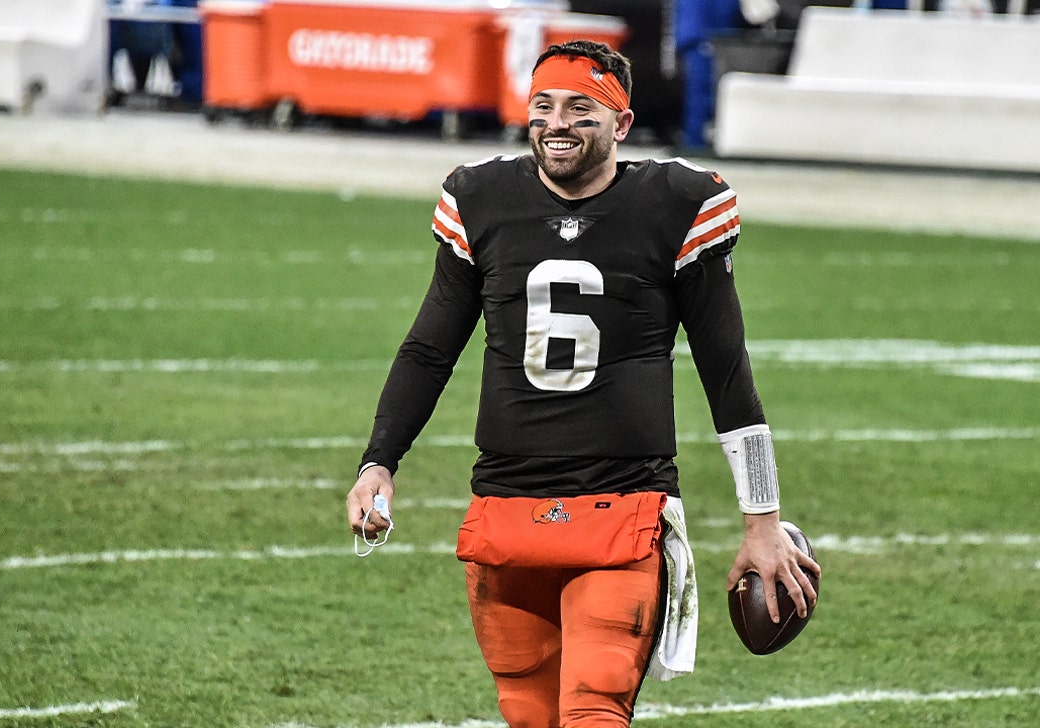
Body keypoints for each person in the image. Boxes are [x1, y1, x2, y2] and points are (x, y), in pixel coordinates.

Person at [347, 39, 820, 728]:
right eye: (542, 106)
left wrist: (763, 519)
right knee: (529, 717)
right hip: (505, 508)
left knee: (595, 708)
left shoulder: (678, 203)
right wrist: (378, 462)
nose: (557, 123)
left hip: (622, 506)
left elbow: (725, 369)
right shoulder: (480, 198)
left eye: (580, 108)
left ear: (621, 124)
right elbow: (428, 350)